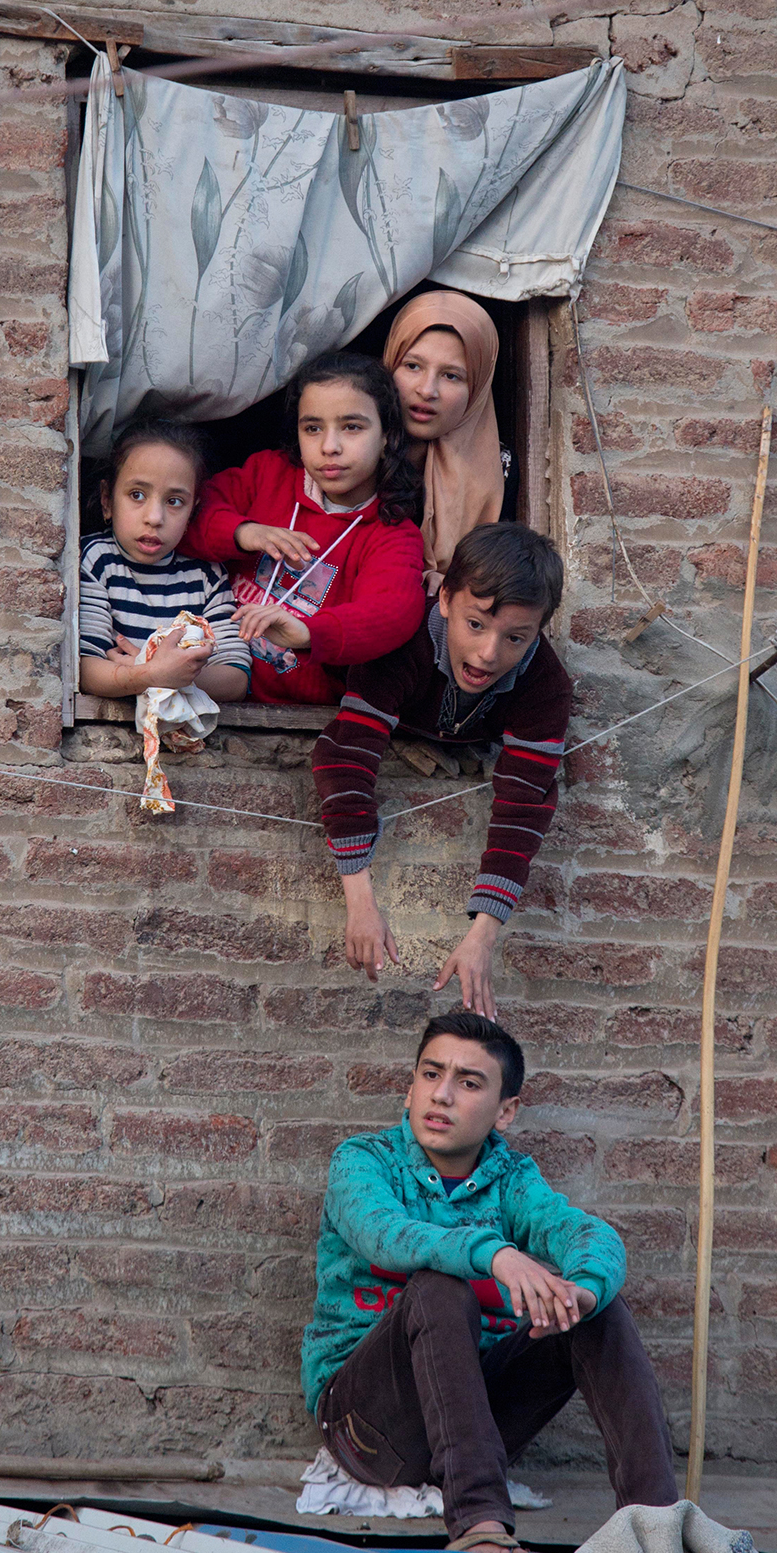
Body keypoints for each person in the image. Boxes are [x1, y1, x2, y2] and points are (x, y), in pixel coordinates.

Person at [302, 1010, 678, 1553]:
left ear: (506, 1111)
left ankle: (658, 1532)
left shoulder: (512, 1180)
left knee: (597, 1309)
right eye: (430, 1075)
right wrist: (496, 1255)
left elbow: (583, 1231)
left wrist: (586, 1290)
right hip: (370, 1428)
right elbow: (385, 1234)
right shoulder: (364, 1162)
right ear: (409, 1089)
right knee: (438, 1288)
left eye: (469, 1082)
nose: (443, 1095)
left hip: (476, 1422)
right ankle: (479, 1525)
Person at [313, 521, 570, 1018]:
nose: (489, 653)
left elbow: (525, 806)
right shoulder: (400, 642)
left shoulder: (545, 685)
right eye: (475, 624)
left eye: (516, 637)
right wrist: (360, 900)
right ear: (445, 598)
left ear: (539, 630)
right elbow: (346, 756)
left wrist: (483, 936)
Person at [180, 351, 426, 705]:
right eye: (313, 428)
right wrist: (243, 532)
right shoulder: (268, 474)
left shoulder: (391, 533)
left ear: (387, 435)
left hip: (292, 714)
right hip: (209, 677)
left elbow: (393, 612)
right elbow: (187, 512)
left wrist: (309, 632)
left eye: (352, 427)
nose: (329, 447)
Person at [78, 419, 251, 702]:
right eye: (137, 495)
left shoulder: (206, 575)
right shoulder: (96, 560)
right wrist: (151, 674)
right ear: (107, 500)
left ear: (192, 511)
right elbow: (85, 670)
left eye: (174, 501)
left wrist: (167, 673)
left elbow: (235, 680)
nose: (155, 518)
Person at [385, 290, 511, 592]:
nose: (427, 390)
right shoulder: (354, 448)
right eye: (413, 366)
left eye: (451, 376)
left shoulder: (499, 466)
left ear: (478, 386)